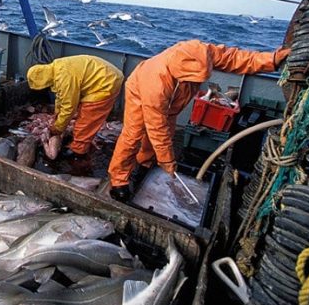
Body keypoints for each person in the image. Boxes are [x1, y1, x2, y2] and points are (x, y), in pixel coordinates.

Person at [107, 40, 290, 202]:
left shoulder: (204, 52)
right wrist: (168, 161)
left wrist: (271, 60)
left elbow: (234, 58)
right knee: (134, 134)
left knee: (167, 134)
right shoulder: (156, 84)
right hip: (140, 92)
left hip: (173, 101)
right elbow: (156, 127)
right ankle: (118, 179)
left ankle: (144, 163)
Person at [27, 55, 124, 159]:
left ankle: (78, 152)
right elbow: (61, 97)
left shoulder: (65, 78)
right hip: (104, 75)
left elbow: (69, 108)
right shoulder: (56, 67)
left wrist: (58, 129)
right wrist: (57, 115)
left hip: (106, 83)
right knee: (79, 114)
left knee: (86, 120)